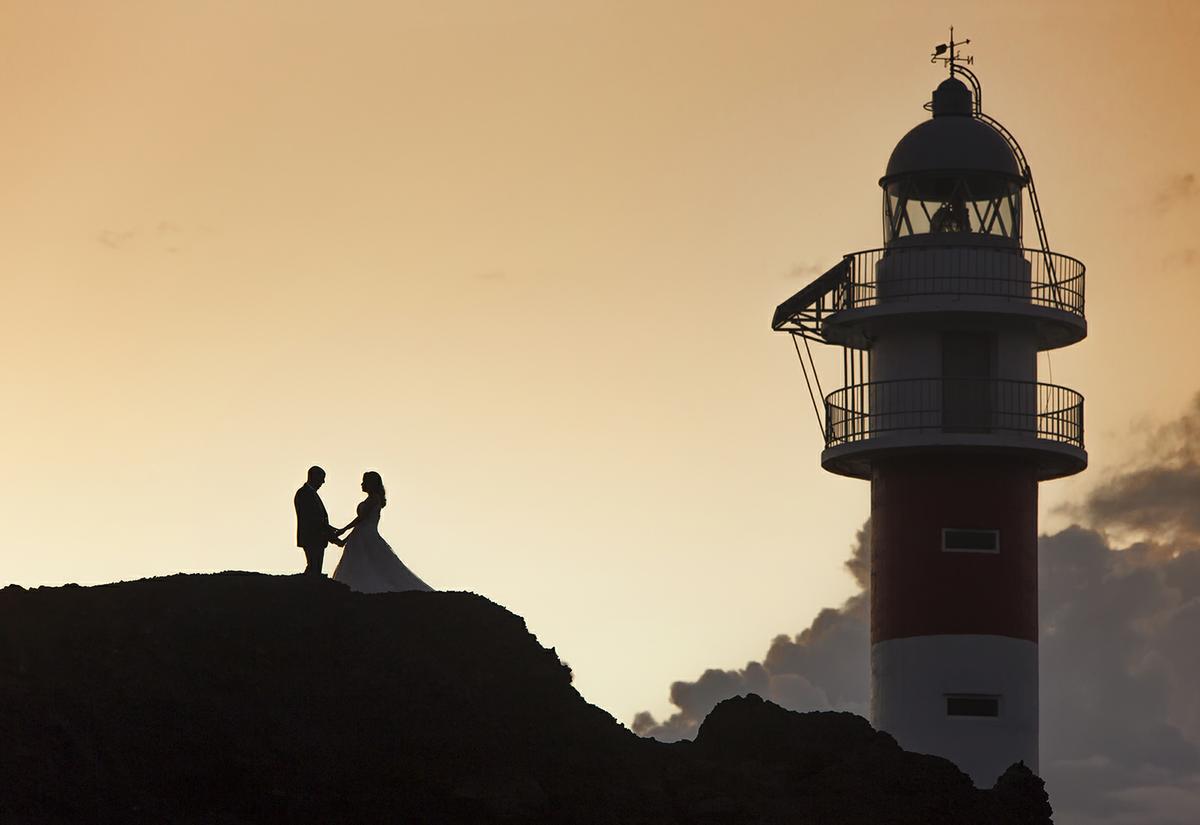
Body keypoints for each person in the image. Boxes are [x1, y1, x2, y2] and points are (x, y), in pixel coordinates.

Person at [332, 471, 432, 593]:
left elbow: (361, 519)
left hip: (367, 536)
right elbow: (360, 525)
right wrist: (345, 540)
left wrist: (343, 530)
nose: (361, 484)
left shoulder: (374, 499)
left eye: (364, 481)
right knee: (359, 564)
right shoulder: (371, 499)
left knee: (370, 563)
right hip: (360, 536)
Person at [294, 466, 342, 577]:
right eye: (322, 478)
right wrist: (333, 536)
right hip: (312, 537)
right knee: (314, 568)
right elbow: (314, 520)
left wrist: (332, 532)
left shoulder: (309, 493)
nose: (323, 482)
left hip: (316, 538)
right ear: (314, 477)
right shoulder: (304, 494)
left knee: (314, 568)